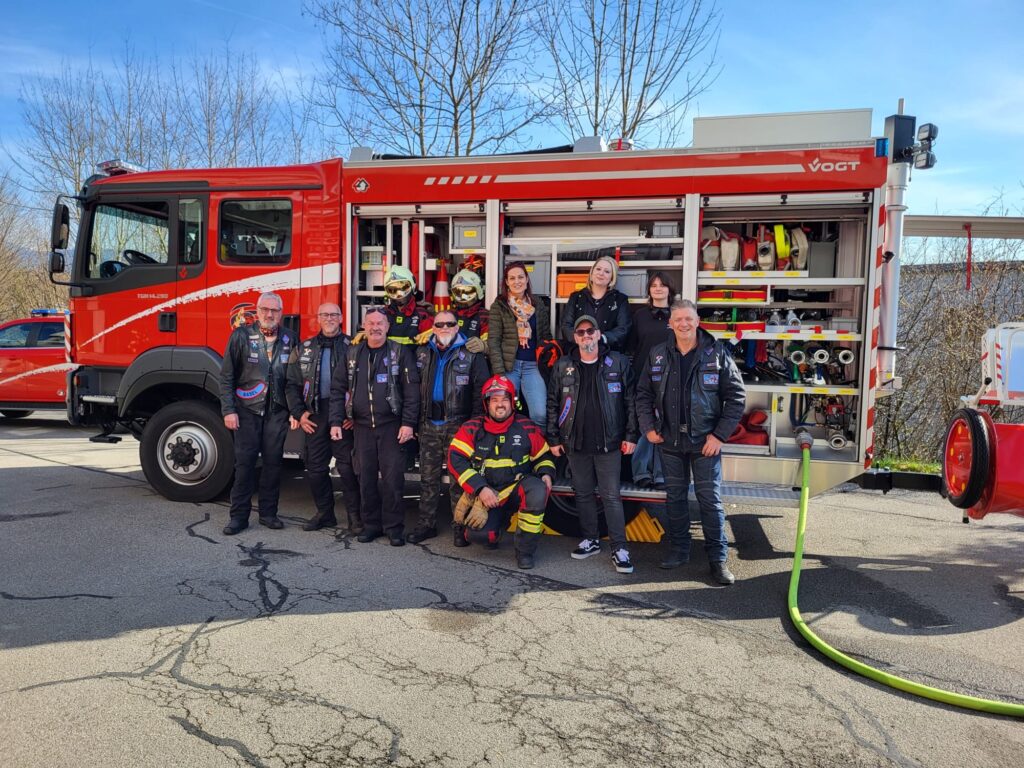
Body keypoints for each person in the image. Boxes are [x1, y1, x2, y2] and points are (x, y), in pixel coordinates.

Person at [635, 299, 746, 585]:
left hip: (704, 442)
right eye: (678, 319)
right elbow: (643, 394)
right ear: (670, 324)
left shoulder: (716, 353)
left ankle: (718, 560)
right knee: (675, 498)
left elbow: (736, 397)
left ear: (697, 321)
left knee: (709, 500)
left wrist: (719, 436)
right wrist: (648, 428)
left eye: (688, 319)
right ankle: (679, 550)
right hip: (670, 441)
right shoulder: (658, 354)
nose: (683, 324)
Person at [547, 315, 639, 573]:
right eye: (581, 332)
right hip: (575, 442)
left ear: (599, 335)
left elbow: (631, 401)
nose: (586, 336)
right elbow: (553, 402)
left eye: (590, 331)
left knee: (611, 496)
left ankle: (620, 549)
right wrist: (553, 438)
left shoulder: (618, 362)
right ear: (575, 338)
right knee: (583, 493)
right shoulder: (563, 365)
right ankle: (590, 540)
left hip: (609, 442)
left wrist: (631, 436)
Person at [329, 307, 420, 546]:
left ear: (387, 327)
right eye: (370, 323)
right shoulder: (352, 354)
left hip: (392, 428)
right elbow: (337, 389)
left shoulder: (400, 353)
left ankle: (394, 528)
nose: (375, 327)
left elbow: (412, 391)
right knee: (365, 479)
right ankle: (371, 526)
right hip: (361, 429)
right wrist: (336, 421)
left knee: (393, 480)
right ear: (364, 326)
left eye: (380, 323)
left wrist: (408, 423)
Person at [447, 375, 556, 569]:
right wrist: (480, 489)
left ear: (512, 402)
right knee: (480, 536)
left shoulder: (526, 426)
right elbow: (455, 459)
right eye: (494, 400)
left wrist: (546, 472)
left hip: (517, 489)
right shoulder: (472, 428)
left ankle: (525, 552)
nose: (500, 405)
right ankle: (497, 525)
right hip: (488, 495)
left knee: (538, 490)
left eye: (505, 399)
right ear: (486, 403)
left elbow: (543, 455)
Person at [218, 291, 295, 535]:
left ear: (281, 313)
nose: (269, 314)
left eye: (275, 310)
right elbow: (227, 376)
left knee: (273, 464)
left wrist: (296, 410)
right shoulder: (241, 336)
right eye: (265, 309)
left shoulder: (290, 338)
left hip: (277, 412)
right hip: (246, 411)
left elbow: (295, 379)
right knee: (245, 465)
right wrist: (229, 410)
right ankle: (238, 517)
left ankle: (268, 514)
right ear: (257, 311)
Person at [411, 309, 489, 544]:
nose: (444, 328)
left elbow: (481, 392)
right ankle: (426, 525)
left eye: (449, 323)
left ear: (457, 326)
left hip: (459, 426)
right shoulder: (422, 352)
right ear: (433, 328)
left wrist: (474, 426)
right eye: (439, 324)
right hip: (428, 425)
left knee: (459, 480)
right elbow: (412, 389)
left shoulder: (472, 354)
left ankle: (459, 528)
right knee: (428, 479)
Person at [286, 302, 362, 533]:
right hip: (315, 415)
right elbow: (291, 384)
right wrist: (300, 413)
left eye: (334, 314)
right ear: (318, 318)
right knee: (316, 468)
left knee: (347, 469)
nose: (329, 318)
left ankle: (355, 518)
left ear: (341, 318)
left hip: (344, 416)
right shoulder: (303, 348)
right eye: (325, 315)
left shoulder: (355, 346)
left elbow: (364, 383)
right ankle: (325, 514)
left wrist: (354, 414)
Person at [627, 272, 676, 489]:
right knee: (644, 424)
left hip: (670, 376)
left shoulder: (676, 315)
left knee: (665, 424)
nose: (658, 288)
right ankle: (640, 473)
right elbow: (631, 346)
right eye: (654, 285)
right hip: (642, 375)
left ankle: (660, 474)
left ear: (669, 289)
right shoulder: (639, 316)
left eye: (662, 285)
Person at [487, 261, 551, 424]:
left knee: (540, 414)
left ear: (527, 279)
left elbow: (546, 336)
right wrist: (500, 373)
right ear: (507, 282)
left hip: (533, 366)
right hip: (509, 367)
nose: (517, 281)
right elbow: (493, 341)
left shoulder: (537, 304)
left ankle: (537, 441)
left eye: (521, 277)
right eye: (512, 278)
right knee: (504, 413)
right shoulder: (499, 306)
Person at [560, 255, 632, 353]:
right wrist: (583, 339)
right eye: (598, 269)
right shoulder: (576, 297)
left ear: (612, 278)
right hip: (578, 354)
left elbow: (623, 329)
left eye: (607, 271)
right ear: (592, 273)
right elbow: (566, 326)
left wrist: (601, 338)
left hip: (608, 354)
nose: (601, 273)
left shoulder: (620, 300)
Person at [382, 264, 434, 345]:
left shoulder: (422, 315)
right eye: (392, 290)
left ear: (413, 286)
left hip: (414, 353)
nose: (399, 294)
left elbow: (434, 344)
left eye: (403, 288)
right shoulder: (382, 315)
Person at [450, 268, 489, 353]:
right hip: (450, 360)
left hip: (474, 360)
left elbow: (495, 345)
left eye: (468, 292)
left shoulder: (484, 316)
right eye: (458, 292)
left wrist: (485, 346)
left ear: (478, 291)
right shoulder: (449, 315)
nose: (462, 297)